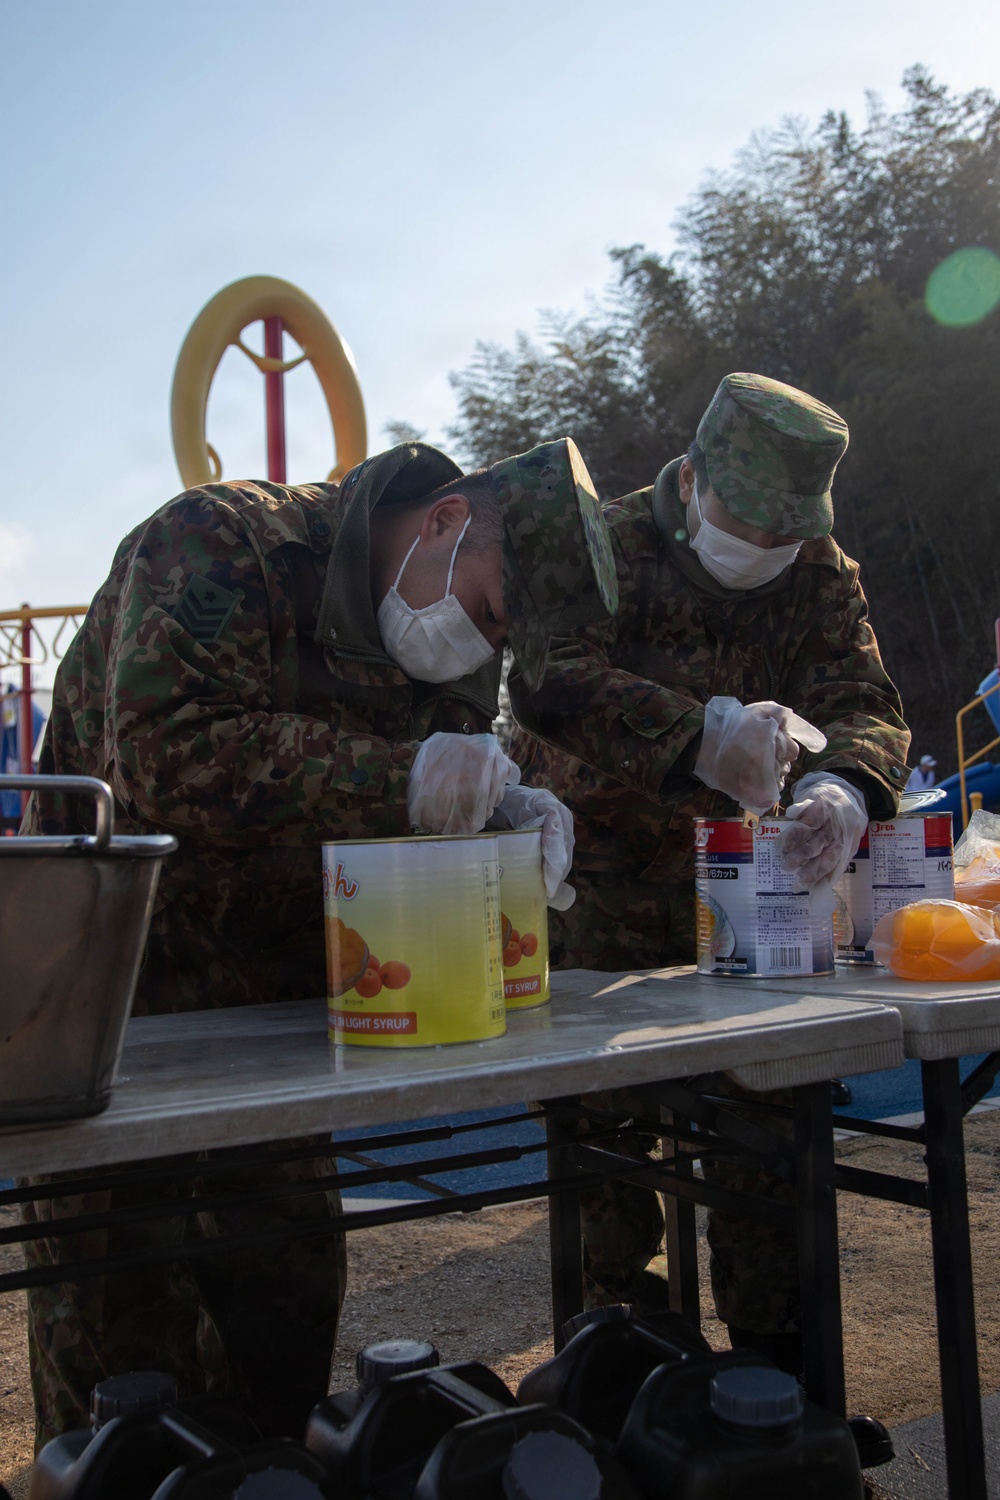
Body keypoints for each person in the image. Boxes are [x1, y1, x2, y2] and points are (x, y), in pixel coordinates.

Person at [20, 436, 617, 1447]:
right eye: (484, 613)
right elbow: (166, 756)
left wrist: (508, 813)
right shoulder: (221, 543)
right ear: (441, 520)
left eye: (498, 644)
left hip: (279, 1028)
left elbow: (440, 795)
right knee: (128, 1383)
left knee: (281, 1324)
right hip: (116, 1016)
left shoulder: (446, 655)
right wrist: (405, 781)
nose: (477, 651)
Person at [509, 372, 911, 1369]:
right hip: (593, 888)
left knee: (771, 1135)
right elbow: (547, 677)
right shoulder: (603, 544)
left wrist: (844, 790)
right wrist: (699, 734)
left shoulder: (818, 571)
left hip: (750, 894)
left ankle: (777, 1392)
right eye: (750, 524)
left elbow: (865, 701)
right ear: (689, 479)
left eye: (786, 534)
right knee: (600, 1154)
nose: (767, 551)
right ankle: (616, 1373)